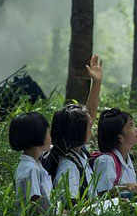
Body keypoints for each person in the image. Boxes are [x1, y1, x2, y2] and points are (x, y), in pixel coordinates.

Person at [43, 55, 103, 204]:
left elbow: (89, 115)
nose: (92, 127)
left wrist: (97, 83)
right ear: (78, 132)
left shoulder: (75, 151)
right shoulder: (68, 167)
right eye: (89, 126)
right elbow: (71, 206)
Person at [91, 108, 137, 195]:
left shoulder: (126, 158)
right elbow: (102, 195)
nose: (136, 129)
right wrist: (125, 187)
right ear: (120, 138)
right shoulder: (106, 161)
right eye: (130, 125)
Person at [9, 112, 53, 212]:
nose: (51, 137)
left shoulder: (33, 164)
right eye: (48, 133)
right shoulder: (32, 169)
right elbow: (36, 208)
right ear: (39, 135)